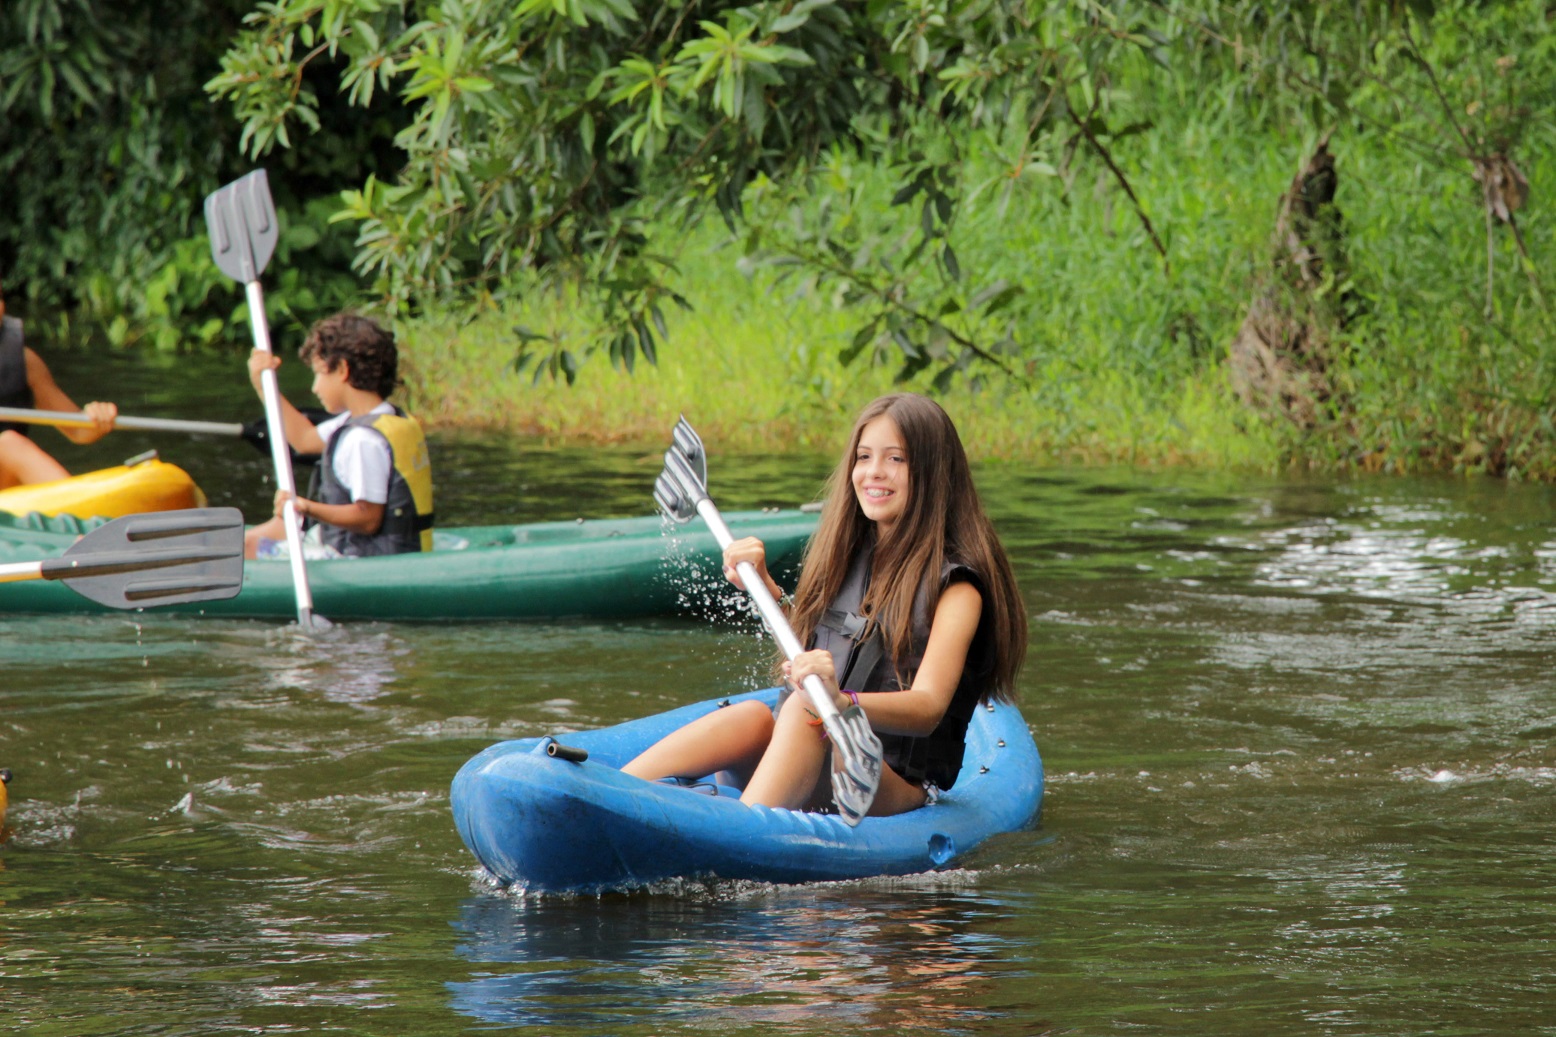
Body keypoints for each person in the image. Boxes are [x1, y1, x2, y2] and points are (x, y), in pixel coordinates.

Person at [623, 392, 1028, 817]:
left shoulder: (958, 588)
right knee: (751, 717)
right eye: (865, 456)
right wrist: (765, 589)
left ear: (934, 472)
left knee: (806, 709)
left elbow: (928, 708)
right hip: (817, 757)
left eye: (897, 459)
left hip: (886, 783)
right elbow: (805, 653)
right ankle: (609, 791)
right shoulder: (850, 555)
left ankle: (736, 833)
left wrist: (843, 702)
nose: (874, 472)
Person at [243, 312, 434, 560]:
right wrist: (263, 386)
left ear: (343, 369)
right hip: (381, 547)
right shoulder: (385, 418)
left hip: (365, 560)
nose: (315, 387)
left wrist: (305, 507)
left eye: (320, 373)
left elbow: (368, 519)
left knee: (248, 548)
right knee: (255, 537)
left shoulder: (363, 439)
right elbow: (305, 439)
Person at [0, 277, 119, 489]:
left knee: (8, 444)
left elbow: (79, 430)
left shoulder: (25, 362)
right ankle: (81, 512)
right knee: (8, 444)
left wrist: (96, 418)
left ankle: (79, 511)